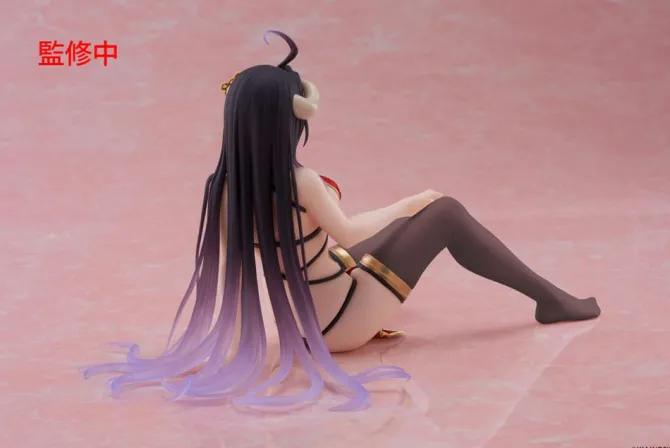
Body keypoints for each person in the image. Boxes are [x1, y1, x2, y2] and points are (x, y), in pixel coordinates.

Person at [83, 31, 601, 411]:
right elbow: (350, 231)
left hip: (304, 322)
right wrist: (409, 203)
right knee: (442, 211)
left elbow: (236, 275)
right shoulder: (300, 182)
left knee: (393, 231)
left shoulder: (221, 189)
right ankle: (552, 301)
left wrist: (234, 350)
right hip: (343, 321)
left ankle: (540, 295)